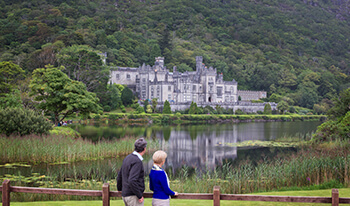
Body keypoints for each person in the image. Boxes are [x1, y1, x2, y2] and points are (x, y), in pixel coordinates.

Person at [117, 138, 147, 206]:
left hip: (126, 195)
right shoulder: (137, 161)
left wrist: (120, 189)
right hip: (133, 196)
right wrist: (139, 195)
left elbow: (120, 175)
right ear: (144, 149)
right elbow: (132, 180)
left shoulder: (127, 158)